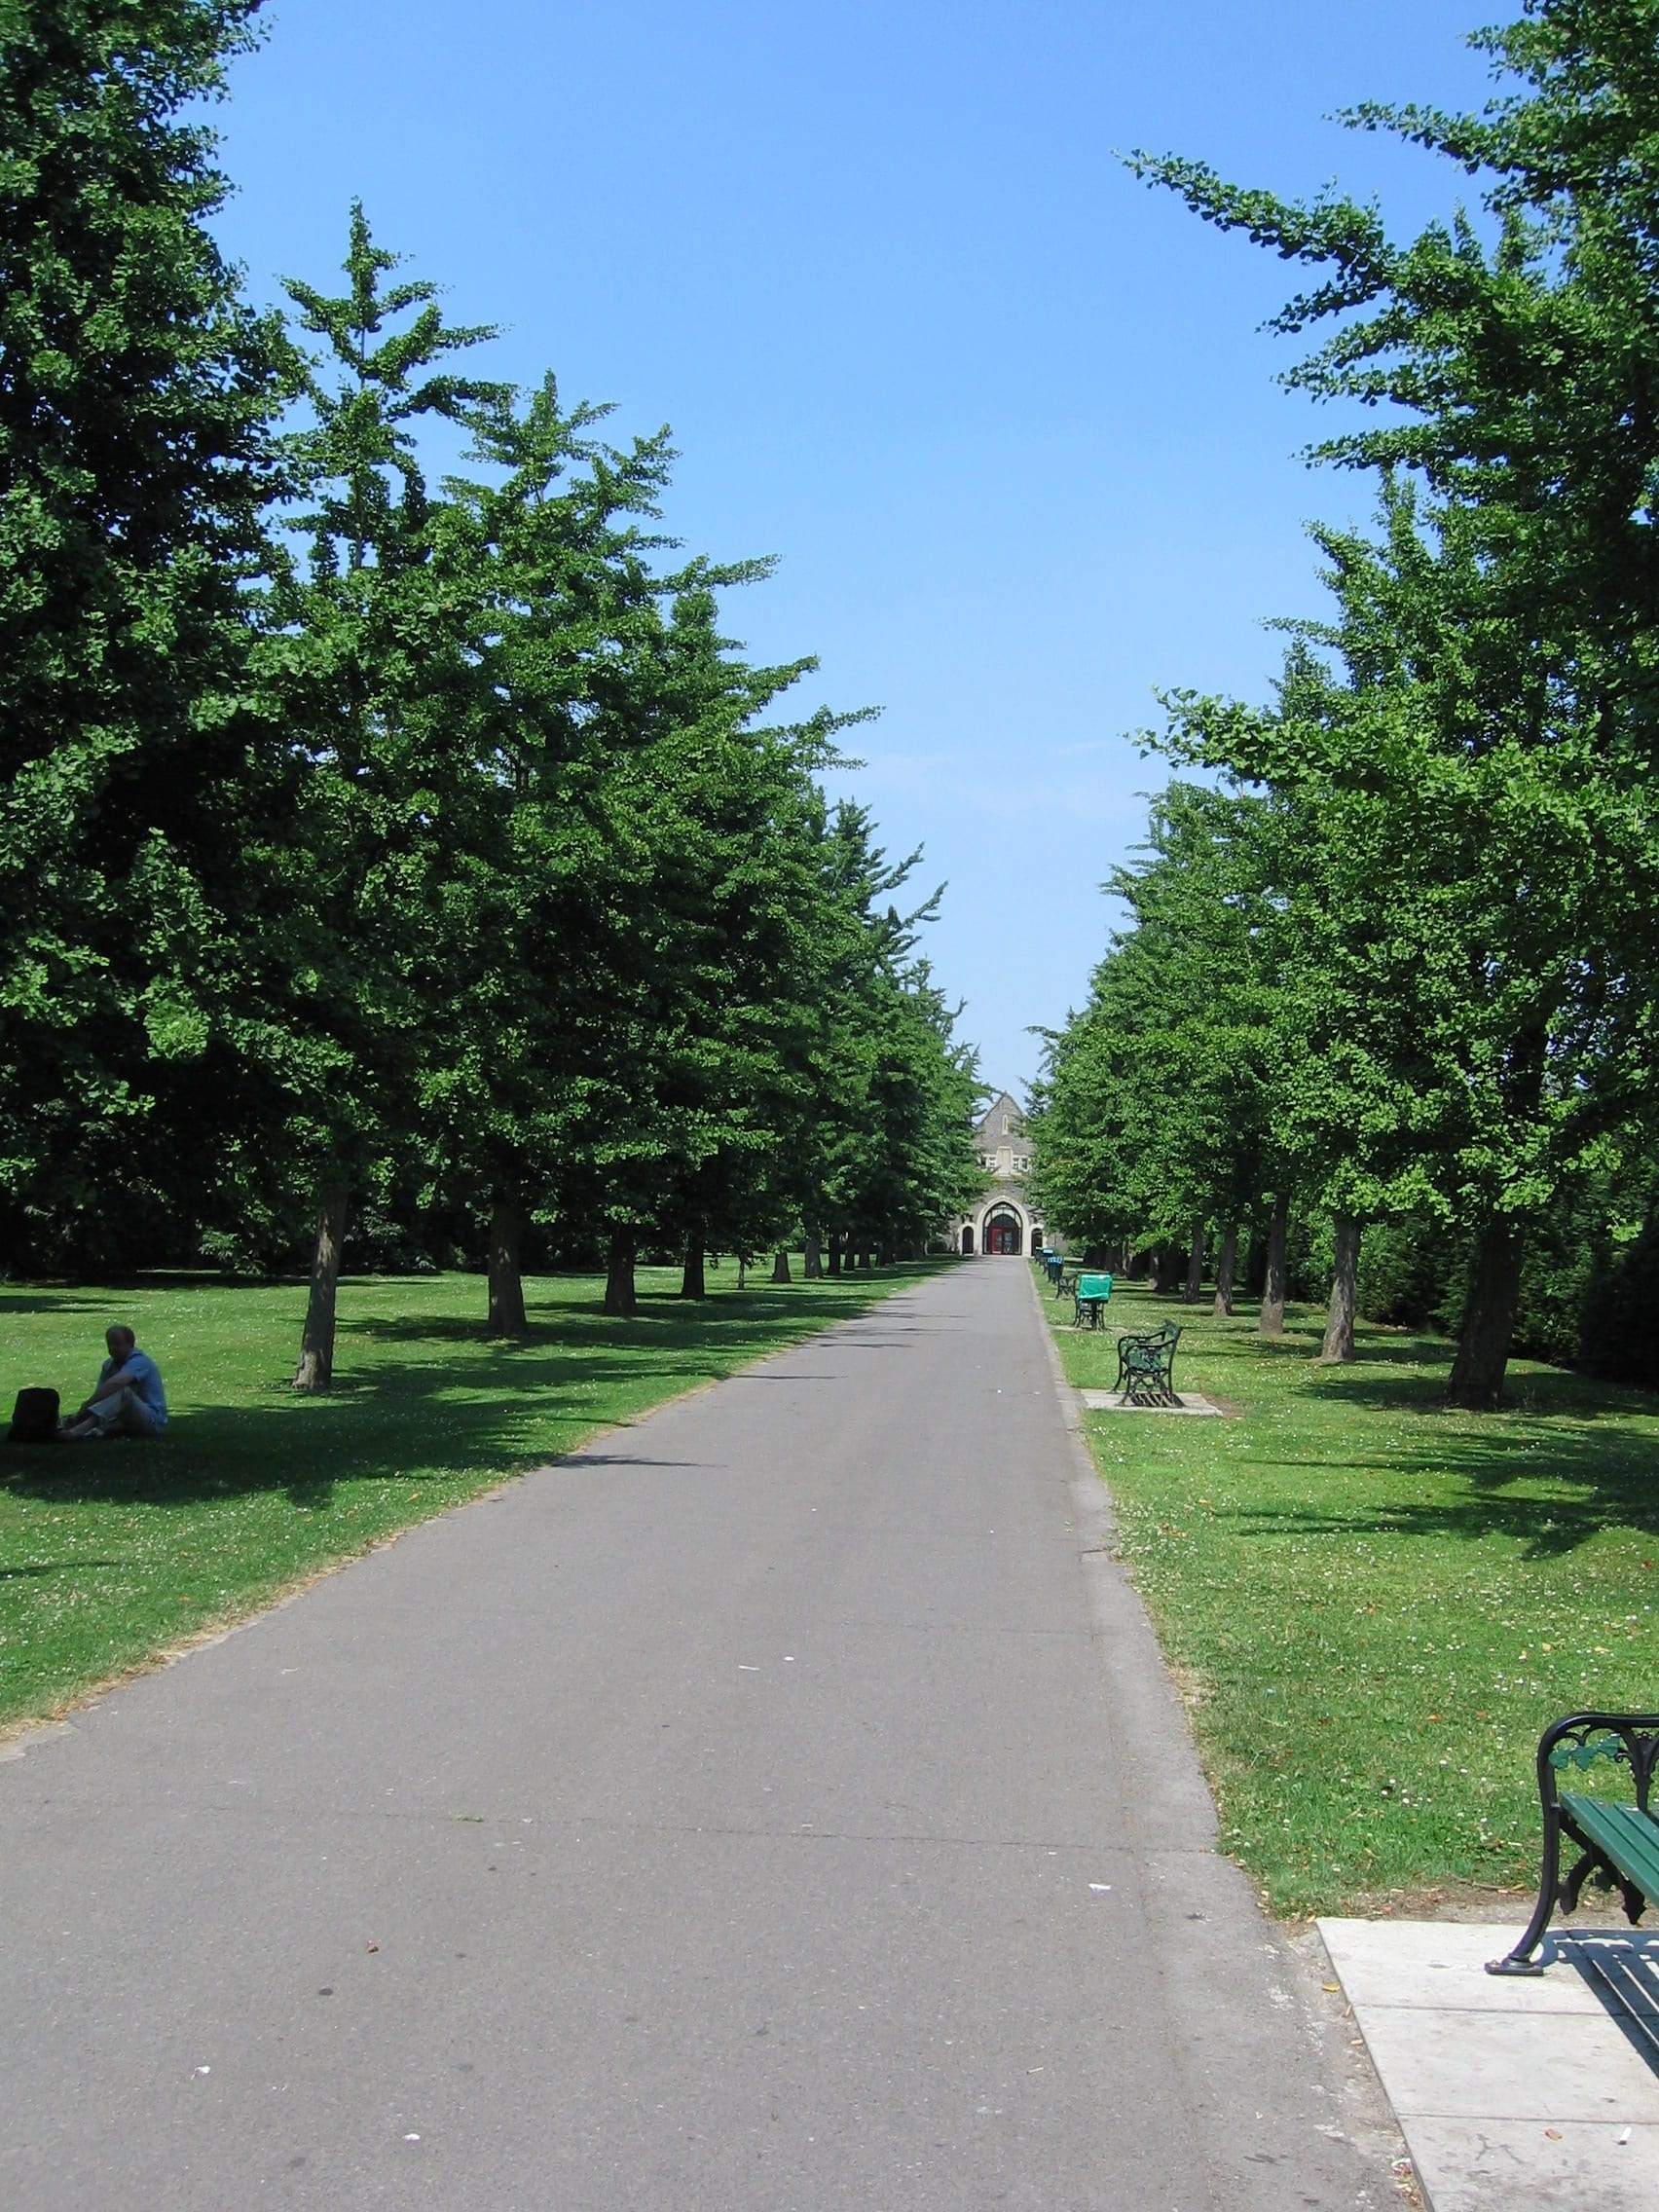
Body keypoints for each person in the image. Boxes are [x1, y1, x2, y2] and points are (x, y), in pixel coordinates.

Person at [61, 1326, 168, 1440]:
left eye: (117, 1344)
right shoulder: (108, 1365)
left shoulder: (140, 1362)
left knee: (123, 1392)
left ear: (130, 1344)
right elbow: (101, 1396)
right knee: (104, 1400)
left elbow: (116, 1383)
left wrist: (87, 1405)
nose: (112, 1348)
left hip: (152, 1422)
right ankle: (68, 1428)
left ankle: (78, 1431)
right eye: (110, 1344)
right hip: (122, 1420)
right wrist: (82, 1414)